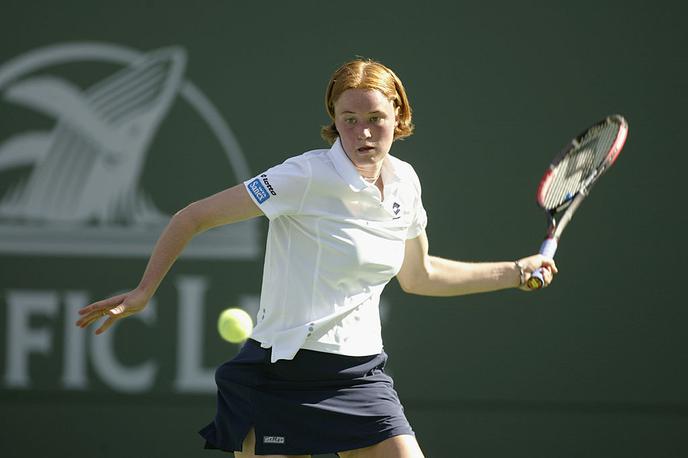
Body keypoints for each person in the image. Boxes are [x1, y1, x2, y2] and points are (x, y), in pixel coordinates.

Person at [76, 58, 557, 458]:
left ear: (398, 115)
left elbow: (420, 275)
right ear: (334, 118)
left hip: (361, 375)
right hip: (280, 376)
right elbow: (192, 217)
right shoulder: (303, 176)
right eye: (349, 120)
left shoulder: (406, 182)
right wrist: (144, 292)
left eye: (375, 119)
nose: (363, 133)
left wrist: (514, 272)